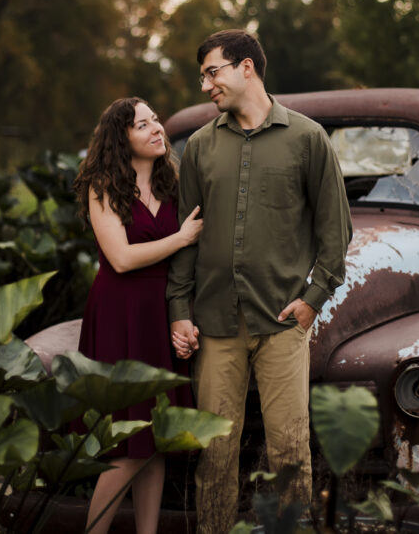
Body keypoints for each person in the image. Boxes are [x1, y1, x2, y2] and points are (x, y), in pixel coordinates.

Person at [167, 30, 352, 534]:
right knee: (215, 453)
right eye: (202, 75)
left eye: (213, 71)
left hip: (281, 323)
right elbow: (186, 237)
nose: (206, 85)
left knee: (290, 448)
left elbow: (336, 231)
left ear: (246, 67)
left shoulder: (308, 138)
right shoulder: (201, 147)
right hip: (214, 323)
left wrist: (313, 299)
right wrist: (179, 310)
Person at [74, 97, 203, 534]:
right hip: (119, 314)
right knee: (126, 444)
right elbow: (122, 259)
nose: (156, 128)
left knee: (154, 443)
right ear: (120, 138)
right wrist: (182, 238)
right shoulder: (103, 186)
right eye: (142, 124)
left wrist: (182, 316)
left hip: (159, 313)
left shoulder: (173, 185)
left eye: (155, 120)